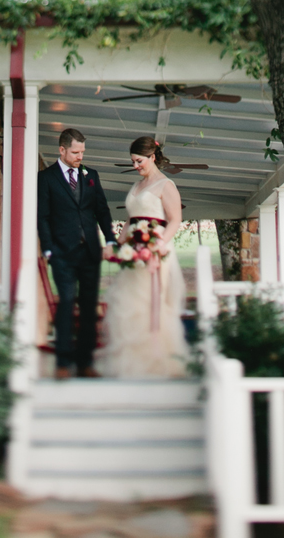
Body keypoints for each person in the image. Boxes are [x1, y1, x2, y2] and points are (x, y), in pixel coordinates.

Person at [98, 135, 189, 379]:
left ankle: (157, 362)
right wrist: (117, 245)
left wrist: (159, 245)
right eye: (133, 162)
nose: (135, 166)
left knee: (152, 304)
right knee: (129, 303)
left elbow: (175, 220)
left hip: (155, 252)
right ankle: (131, 362)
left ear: (152, 157)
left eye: (139, 161)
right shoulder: (137, 186)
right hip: (134, 252)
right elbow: (132, 218)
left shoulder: (165, 185)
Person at [37, 127, 116, 379]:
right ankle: (62, 363)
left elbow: (101, 210)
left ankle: (85, 363)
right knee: (67, 304)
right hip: (61, 253)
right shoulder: (46, 178)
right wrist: (48, 248)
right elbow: (42, 217)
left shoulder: (90, 175)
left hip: (90, 251)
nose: (80, 156)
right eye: (75, 152)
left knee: (89, 307)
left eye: (82, 151)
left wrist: (111, 238)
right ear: (61, 150)